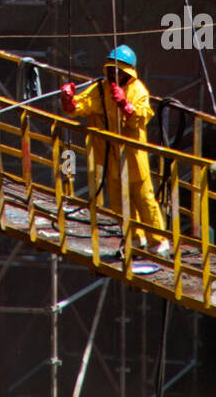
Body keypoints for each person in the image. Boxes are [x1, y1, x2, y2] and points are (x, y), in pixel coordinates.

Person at [61, 45, 170, 255]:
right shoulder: (101, 90)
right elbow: (79, 107)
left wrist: (126, 105)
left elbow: (143, 117)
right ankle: (135, 239)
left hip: (133, 156)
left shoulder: (138, 90)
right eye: (110, 69)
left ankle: (158, 242)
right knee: (119, 202)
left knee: (144, 200)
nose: (112, 74)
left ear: (127, 72)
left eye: (116, 70)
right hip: (111, 157)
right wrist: (69, 99)